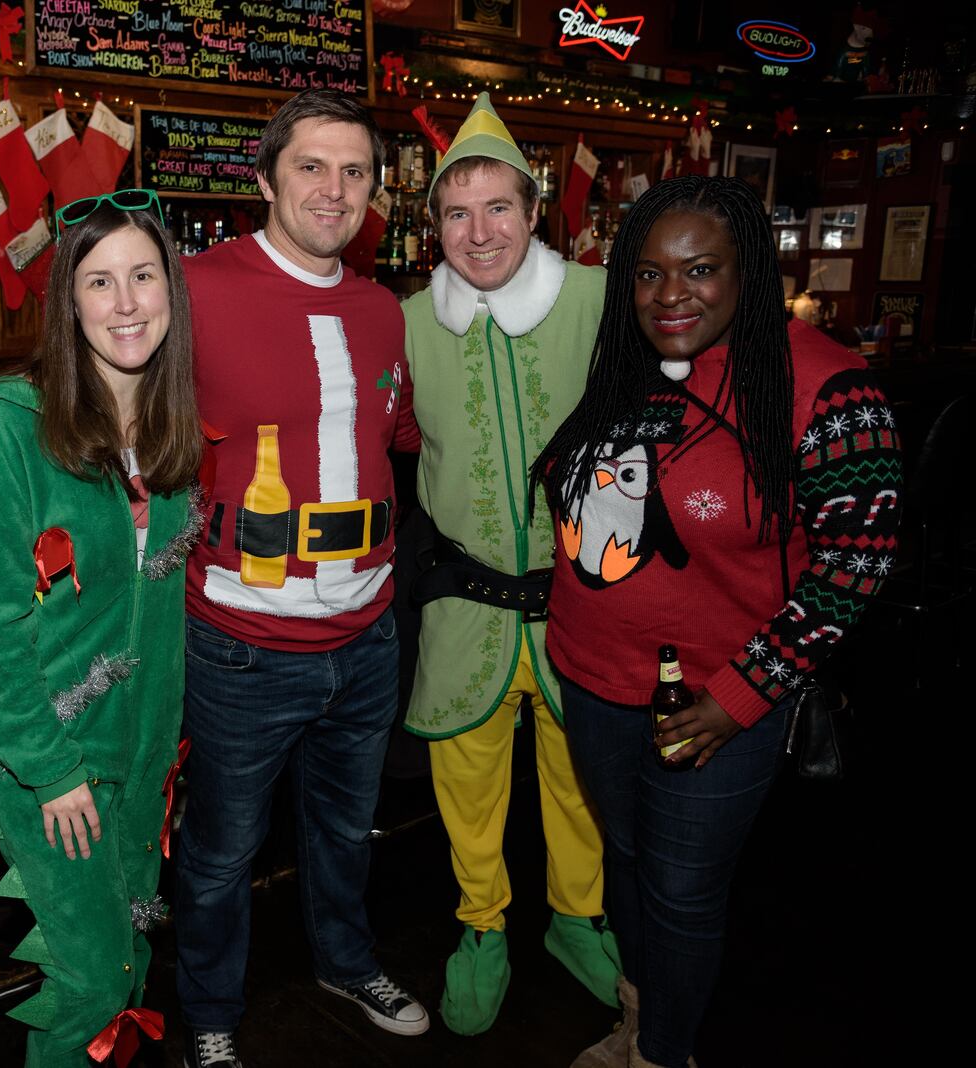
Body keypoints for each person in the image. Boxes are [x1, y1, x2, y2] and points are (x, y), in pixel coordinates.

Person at [535, 176, 902, 1068]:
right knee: (625, 861)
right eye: (649, 274)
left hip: (711, 705)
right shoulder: (629, 356)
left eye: (700, 270)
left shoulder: (826, 389)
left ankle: (663, 1053)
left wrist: (742, 696)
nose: (671, 295)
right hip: (591, 681)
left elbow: (853, 569)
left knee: (682, 894)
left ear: (748, 272)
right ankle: (637, 1014)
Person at [175, 89, 427, 1068]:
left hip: (366, 634)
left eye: (354, 171)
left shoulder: (379, 309)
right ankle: (206, 1014)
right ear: (265, 178)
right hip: (242, 644)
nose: (335, 189)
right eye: (312, 167)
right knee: (219, 857)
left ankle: (344, 960)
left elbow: (396, 430)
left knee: (345, 828)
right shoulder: (192, 286)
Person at [0, 190, 203, 1067]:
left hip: (145, 752)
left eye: (143, 275)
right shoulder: (9, 427)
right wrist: (49, 770)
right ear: (68, 301)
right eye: (100, 282)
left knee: (129, 962)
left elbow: (160, 608)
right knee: (90, 980)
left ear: (172, 287)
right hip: (50, 755)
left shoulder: (171, 430)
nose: (126, 303)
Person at [400, 92, 619, 1036]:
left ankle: (579, 919)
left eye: (499, 208)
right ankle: (481, 928)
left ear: (536, 213)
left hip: (585, 602)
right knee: (468, 780)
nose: (479, 231)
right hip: (465, 601)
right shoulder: (406, 324)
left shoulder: (604, 302)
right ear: (434, 226)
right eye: (457, 212)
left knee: (583, 780)